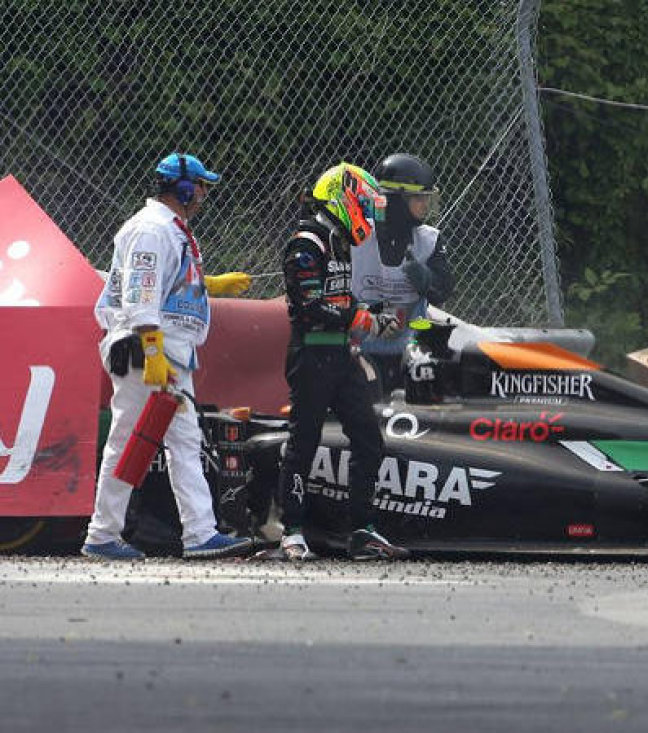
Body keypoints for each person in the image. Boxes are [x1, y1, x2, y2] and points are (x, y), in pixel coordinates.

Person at [84, 152, 255, 560]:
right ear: (181, 187)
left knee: (184, 441)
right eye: (200, 186)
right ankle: (102, 534)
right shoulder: (152, 229)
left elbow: (166, 280)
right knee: (127, 442)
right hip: (147, 351)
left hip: (169, 353)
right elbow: (141, 293)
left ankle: (199, 533)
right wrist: (154, 351)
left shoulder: (169, 230)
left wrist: (211, 285)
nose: (204, 194)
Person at [276, 162, 409, 561]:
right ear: (343, 199)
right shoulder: (307, 241)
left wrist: (368, 313)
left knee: (369, 437)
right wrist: (360, 318)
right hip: (310, 354)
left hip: (339, 355)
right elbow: (309, 303)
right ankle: (292, 532)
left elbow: (337, 299)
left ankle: (362, 532)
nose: (369, 215)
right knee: (303, 442)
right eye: (364, 205)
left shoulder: (339, 241)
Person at [351, 153, 454, 394]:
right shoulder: (357, 237)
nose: (426, 204)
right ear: (395, 200)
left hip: (412, 353)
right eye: (419, 197)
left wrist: (427, 279)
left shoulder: (428, 239)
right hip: (361, 350)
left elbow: (444, 290)